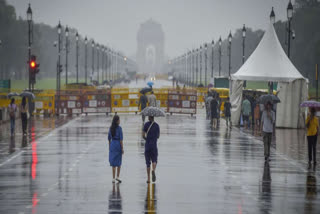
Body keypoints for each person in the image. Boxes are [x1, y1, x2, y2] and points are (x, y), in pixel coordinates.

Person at [143, 116, 160, 183]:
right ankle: (153, 170)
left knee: (147, 163)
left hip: (147, 146)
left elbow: (143, 135)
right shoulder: (157, 125)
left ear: (149, 117)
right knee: (154, 160)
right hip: (154, 146)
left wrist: (147, 139)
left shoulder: (146, 124)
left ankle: (148, 179)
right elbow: (158, 136)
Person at [108, 115, 124, 183]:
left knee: (113, 162)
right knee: (119, 162)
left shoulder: (111, 128)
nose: (119, 121)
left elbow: (109, 138)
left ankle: (113, 178)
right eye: (119, 120)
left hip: (112, 144)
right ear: (117, 121)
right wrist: (122, 148)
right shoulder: (119, 128)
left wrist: (109, 146)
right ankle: (118, 176)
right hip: (118, 145)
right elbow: (121, 140)